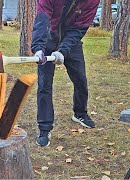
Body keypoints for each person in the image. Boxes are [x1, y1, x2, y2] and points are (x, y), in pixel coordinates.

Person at [31, 0, 100, 147]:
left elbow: (79, 28)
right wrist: (38, 48)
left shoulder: (92, 1)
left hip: (71, 41)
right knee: (44, 85)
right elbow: (42, 20)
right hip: (49, 39)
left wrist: (63, 50)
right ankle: (44, 128)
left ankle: (80, 113)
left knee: (80, 79)